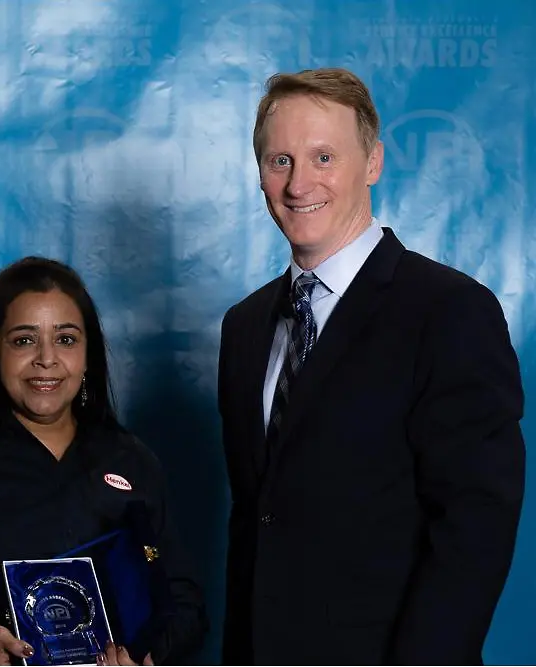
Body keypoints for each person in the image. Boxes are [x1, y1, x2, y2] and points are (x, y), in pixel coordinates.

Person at [217, 67, 526, 664]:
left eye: (324, 157)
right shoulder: (246, 326)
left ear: (374, 162)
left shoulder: (449, 311)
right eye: (280, 160)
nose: (300, 182)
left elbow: (475, 529)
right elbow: (257, 523)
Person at [0, 256, 208, 666]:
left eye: (67, 339)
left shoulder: (131, 460)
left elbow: (184, 603)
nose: (46, 359)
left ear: (89, 355)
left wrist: (147, 657)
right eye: (23, 340)